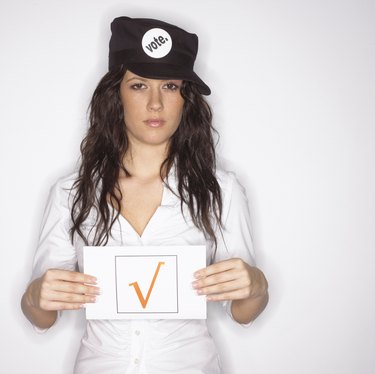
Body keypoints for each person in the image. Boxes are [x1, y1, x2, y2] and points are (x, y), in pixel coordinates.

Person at [21, 16, 268, 374]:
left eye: (169, 86)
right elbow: (42, 317)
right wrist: (34, 295)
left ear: (186, 98)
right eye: (138, 86)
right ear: (116, 95)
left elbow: (243, 310)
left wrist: (256, 285)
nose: (155, 103)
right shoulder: (71, 193)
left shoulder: (222, 190)